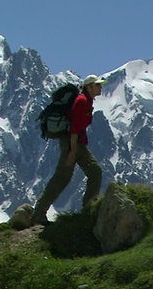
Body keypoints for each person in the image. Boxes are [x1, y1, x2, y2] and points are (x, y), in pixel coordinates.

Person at [31, 74, 106, 226]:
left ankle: (87, 209)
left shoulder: (86, 100)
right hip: (72, 143)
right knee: (64, 177)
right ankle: (39, 213)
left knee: (92, 172)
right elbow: (75, 128)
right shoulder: (82, 101)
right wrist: (72, 151)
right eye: (97, 85)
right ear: (89, 87)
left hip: (76, 143)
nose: (100, 87)